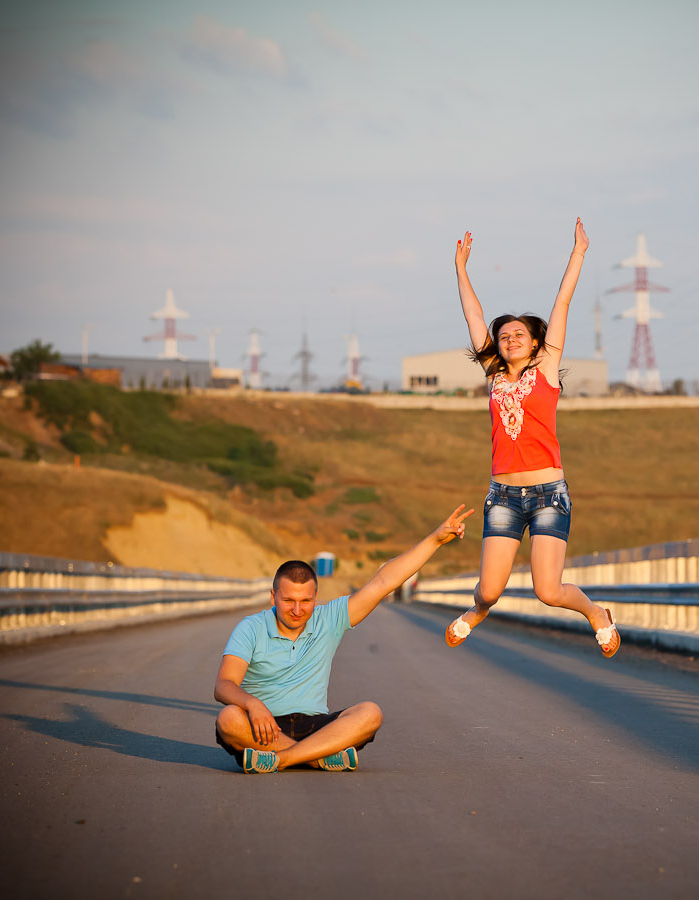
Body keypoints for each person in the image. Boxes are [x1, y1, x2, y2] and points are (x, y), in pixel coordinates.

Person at [445, 217, 620, 657]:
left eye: (519, 334)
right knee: (487, 590)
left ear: (536, 341)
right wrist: (461, 269)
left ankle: (596, 613)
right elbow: (473, 316)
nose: (509, 339)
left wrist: (578, 252)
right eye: (503, 337)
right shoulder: (494, 376)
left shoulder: (546, 369)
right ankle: (478, 611)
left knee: (548, 590)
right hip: (503, 494)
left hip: (548, 494)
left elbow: (561, 304)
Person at [214, 504, 475, 773]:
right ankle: (317, 757)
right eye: (288, 600)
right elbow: (224, 685)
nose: (297, 610)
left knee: (370, 713)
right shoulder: (251, 627)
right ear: (273, 597)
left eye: (305, 601)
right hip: (264, 725)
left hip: (317, 725)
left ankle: (280, 759)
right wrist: (253, 705)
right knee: (229, 718)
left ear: (316, 598)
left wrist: (434, 540)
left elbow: (384, 582)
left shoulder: (329, 618)